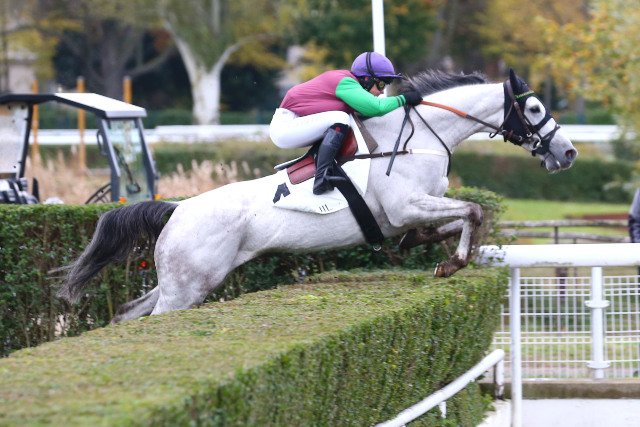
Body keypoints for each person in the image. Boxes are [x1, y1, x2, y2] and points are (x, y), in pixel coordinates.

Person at [269, 51, 422, 195]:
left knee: (345, 119)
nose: (382, 91)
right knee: (341, 118)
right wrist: (404, 99)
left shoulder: (349, 85)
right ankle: (321, 178)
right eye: (381, 84)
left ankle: (327, 169)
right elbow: (377, 108)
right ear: (366, 79)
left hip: (296, 124)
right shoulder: (346, 82)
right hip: (286, 126)